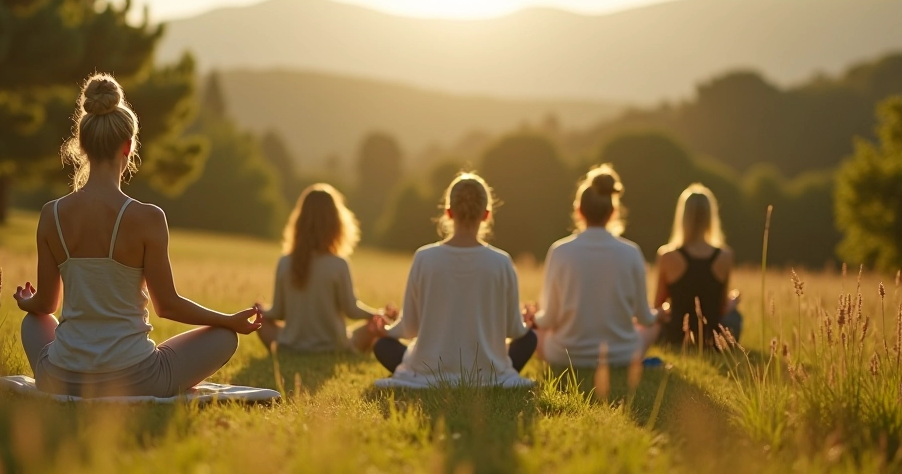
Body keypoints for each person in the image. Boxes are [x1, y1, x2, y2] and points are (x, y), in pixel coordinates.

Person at [14, 74, 262, 398]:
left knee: (34, 321)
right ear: (128, 147)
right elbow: (168, 305)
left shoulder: (51, 215)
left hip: (61, 377)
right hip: (137, 378)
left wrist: (25, 302)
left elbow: (47, 303)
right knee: (224, 338)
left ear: (83, 146)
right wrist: (229, 320)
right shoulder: (148, 218)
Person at [369, 173, 537, 387]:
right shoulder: (502, 262)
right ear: (486, 215)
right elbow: (514, 330)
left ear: (448, 213)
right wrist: (526, 323)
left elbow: (409, 328)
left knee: (382, 345)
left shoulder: (424, 257)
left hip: (429, 370)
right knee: (530, 338)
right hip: (487, 371)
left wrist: (386, 330)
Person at [530, 164, 661, 368]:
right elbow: (645, 318)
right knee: (655, 326)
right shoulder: (632, 252)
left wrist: (532, 318)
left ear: (579, 210)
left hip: (565, 356)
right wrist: (660, 314)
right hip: (622, 356)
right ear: (613, 211)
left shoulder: (559, 251)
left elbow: (548, 320)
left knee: (535, 332)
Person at [254, 184, 396, 352]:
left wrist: (260, 309)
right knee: (372, 327)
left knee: (261, 323)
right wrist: (380, 314)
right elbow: (352, 310)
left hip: (290, 346)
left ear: (299, 220)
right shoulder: (338, 264)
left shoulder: (285, 262)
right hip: (334, 346)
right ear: (336, 223)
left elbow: (278, 312)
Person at [654, 184, 741, 347]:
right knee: (735, 316)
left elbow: (658, 306)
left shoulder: (667, 255)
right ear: (710, 216)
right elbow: (721, 308)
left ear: (683, 216)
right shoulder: (725, 256)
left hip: (675, 337)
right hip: (711, 339)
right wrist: (733, 301)